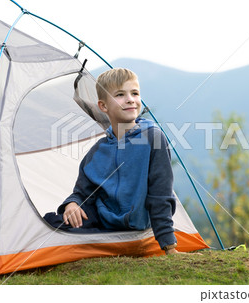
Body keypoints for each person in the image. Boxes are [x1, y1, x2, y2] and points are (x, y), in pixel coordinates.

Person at [44, 68, 178, 255]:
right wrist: (72, 204)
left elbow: (161, 194)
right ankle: (93, 241)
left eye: (135, 93)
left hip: (136, 226)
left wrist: (168, 245)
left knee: (64, 236)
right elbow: (82, 192)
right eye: (120, 95)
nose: (130, 99)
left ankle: (94, 243)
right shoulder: (98, 150)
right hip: (103, 221)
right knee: (51, 222)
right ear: (103, 106)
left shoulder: (152, 138)